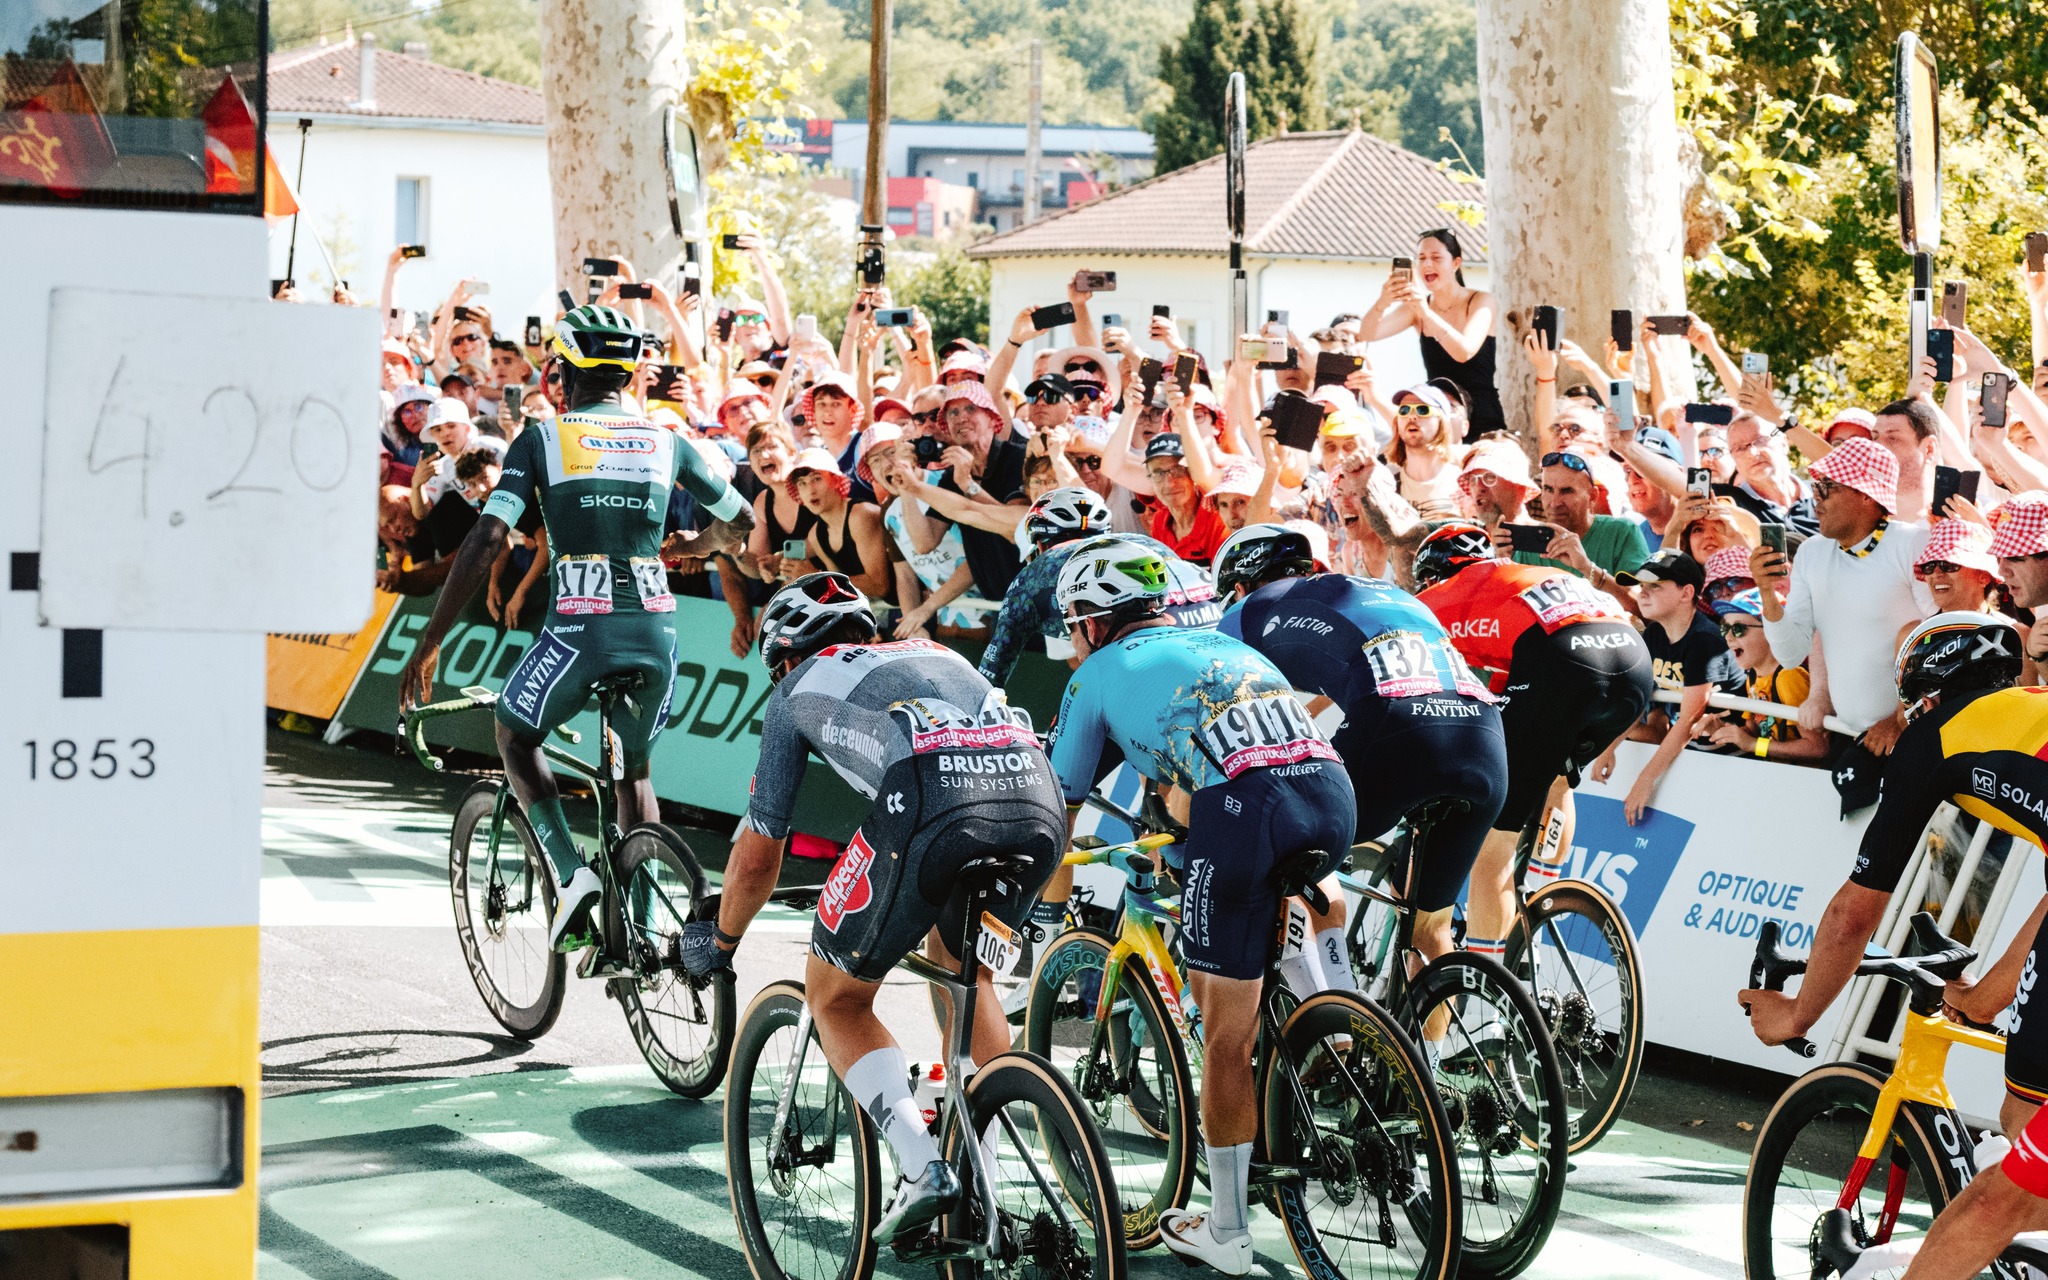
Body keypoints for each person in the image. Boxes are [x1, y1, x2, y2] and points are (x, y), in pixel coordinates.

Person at [680, 574, 1063, 1243]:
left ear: (787, 656)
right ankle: (987, 1189)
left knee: (837, 998)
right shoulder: (933, 651)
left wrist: (720, 943)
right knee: (965, 976)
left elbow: (755, 859)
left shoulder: (797, 688)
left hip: (931, 801)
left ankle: (923, 1170)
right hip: (1037, 800)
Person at [395, 306, 755, 952]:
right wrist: (695, 543)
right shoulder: (668, 440)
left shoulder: (542, 437)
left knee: (512, 730)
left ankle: (571, 876)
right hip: (657, 631)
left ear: (560, 373)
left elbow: (487, 537)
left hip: (580, 631)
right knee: (633, 777)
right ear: (630, 374)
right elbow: (741, 519)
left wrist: (432, 637)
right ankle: (640, 934)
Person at [1045, 537, 1354, 1275]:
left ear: (1091, 622)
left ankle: (1228, 1232)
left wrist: (1044, 919)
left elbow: (1057, 813)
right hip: (1332, 794)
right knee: (1249, 899)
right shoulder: (1215, 644)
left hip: (1246, 810)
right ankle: (1332, 1014)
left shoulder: (1094, 674)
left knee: (1225, 1036)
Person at [1739, 615, 2035, 1172]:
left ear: (1924, 689)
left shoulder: (1933, 738)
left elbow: (1856, 913)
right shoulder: (2027, 711)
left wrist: (1799, 1014)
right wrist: (1983, 998)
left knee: (2026, 1126)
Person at [1214, 524, 1507, 973]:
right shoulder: (1382, 593)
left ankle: (1336, 1001)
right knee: (1429, 929)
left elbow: (1221, 716)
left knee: (1290, 854)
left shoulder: (1249, 611)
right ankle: (1426, 1043)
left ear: (1238, 587)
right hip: (1483, 735)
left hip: (1397, 728)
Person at [1412, 522, 1654, 963]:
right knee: (1556, 778)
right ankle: (1542, 903)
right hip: (1633, 660)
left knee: (1492, 841)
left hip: (1565, 662)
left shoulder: (1439, 597)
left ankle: (1491, 980)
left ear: (1433, 575)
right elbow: (1507, 691)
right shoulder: (1515, 578)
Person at [1754, 438, 1932, 766]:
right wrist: (1767, 594)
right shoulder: (1811, 552)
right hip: (1846, 738)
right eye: (1816, 486)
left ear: (1866, 495)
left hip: (1914, 738)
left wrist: (1899, 719)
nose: (1815, 498)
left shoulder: (1913, 543)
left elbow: (1941, 640)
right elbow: (1790, 655)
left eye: (1828, 487)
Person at [1617, 550, 1744, 823]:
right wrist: (1607, 749)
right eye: (1641, 586)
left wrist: (1645, 780)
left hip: (1734, 760)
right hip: (1692, 752)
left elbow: (1689, 718)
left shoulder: (1704, 640)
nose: (1643, 593)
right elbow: (1637, 702)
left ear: (1686, 593)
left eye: (1655, 586)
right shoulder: (1654, 633)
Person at [1359, 228, 1504, 435]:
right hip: (1437, 414)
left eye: (1436, 258)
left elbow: (1464, 352)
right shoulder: (1417, 308)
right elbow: (1367, 334)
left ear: (1456, 263)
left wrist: (1425, 313)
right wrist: (1383, 301)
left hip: (1482, 413)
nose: (1427, 264)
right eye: (1421, 258)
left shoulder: (1481, 301)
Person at [1693, 588, 1827, 764]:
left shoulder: (1789, 678)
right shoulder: (1754, 676)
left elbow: (1818, 748)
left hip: (1802, 779)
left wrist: (1756, 746)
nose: (1729, 638)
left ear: (1773, 632)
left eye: (1739, 629)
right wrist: (1722, 730)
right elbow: (1754, 731)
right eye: (1725, 628)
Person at [1497, 448, 1648, 599]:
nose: (1555, 503)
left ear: (1592, 496)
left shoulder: (1621, 532)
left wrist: (1587, 568)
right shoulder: (1530, 543)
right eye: (1548, 490)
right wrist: (1502, 568)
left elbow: (1645, 608)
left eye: (1567, 491)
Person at [785, 448, 890, 601]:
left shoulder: (861, 516)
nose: (811, 490)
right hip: (867, 611)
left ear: (835, 479)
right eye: (802, 483)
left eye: (817, 479)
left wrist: (817, 578)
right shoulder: (816, 535)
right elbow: (839, 595)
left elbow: (880, 586)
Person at [1144, 434, 1229, 565]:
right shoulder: (1159, 522)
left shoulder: (1217, 521)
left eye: (1178, 470)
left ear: (1194, 473)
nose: (1169, 483)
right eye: (1159, 473)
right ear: (1150, 477)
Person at [1386, 386, 1462, 518]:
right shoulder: (1387, 485)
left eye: (1423, 410)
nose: (1412, 417)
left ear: (1441, 420)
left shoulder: (1463, 481)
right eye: (1404, 410)